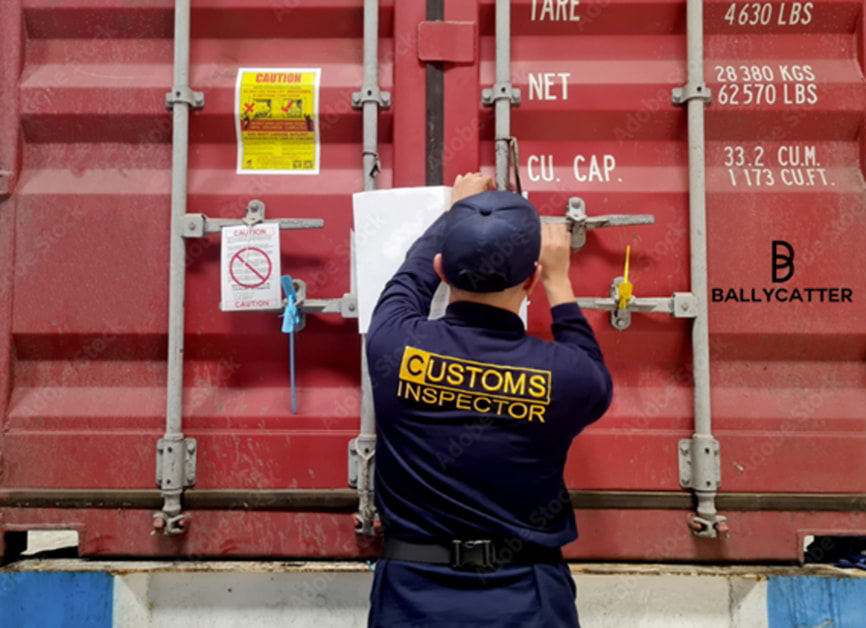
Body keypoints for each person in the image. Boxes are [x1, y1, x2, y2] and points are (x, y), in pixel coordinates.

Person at [365, 172, 613, 627]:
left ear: (443, 271)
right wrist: (561, 281)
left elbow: (411, 276)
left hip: (410, 597)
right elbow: (591, 364)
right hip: (528, 598)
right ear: (532, 280)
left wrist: (455, 212)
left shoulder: (392, 346)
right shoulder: (568, 377)